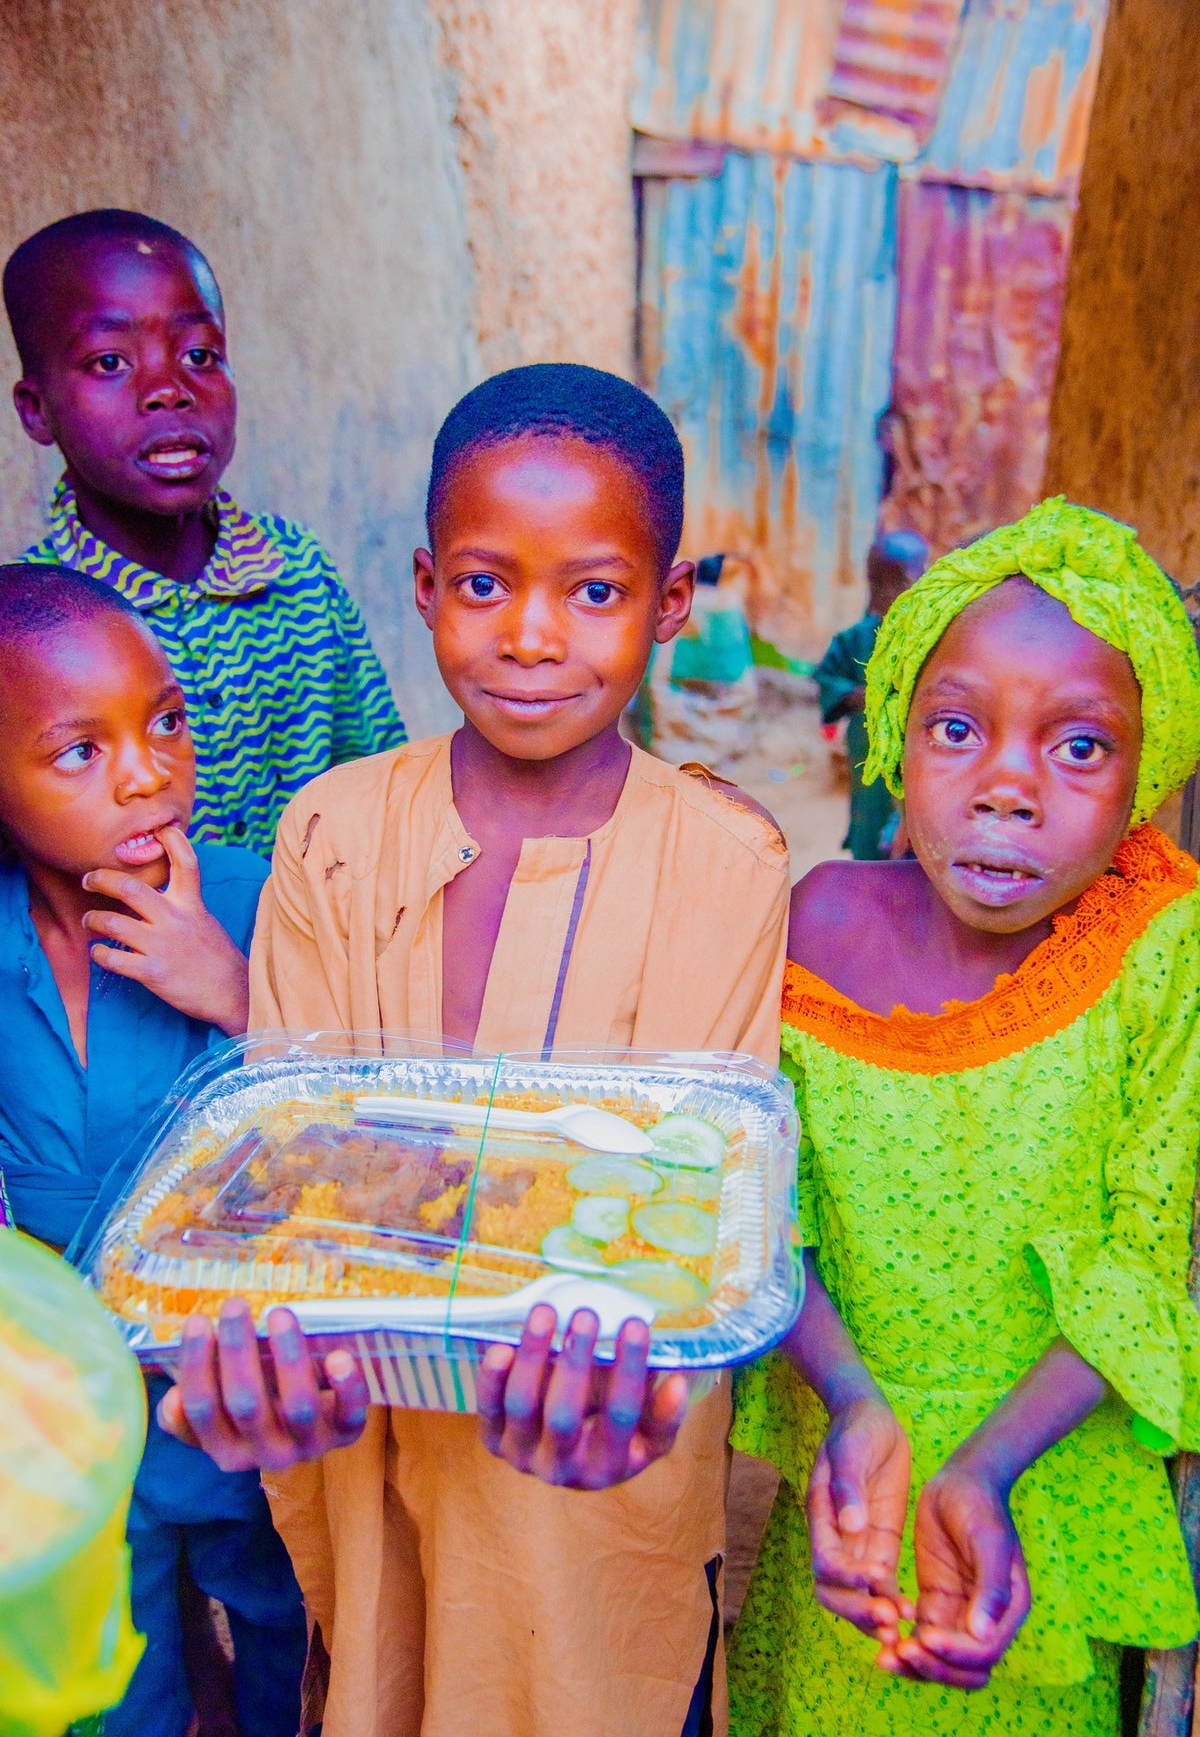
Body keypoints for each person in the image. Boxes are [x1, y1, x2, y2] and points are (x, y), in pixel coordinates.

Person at [158, 362, 792, 1737]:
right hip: (363, 1447)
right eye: (487, 583)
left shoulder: (726, 862)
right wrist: (259, 1356)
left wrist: (643, 1371)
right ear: (426, 583)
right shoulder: (334, 833)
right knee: (379, 1668)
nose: (531, 636)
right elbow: (296, 1160)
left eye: (596, 591)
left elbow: (688, 1198)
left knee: (589, 1677)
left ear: (671, 602)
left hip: (598, 1451)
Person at [730, 498, 1200, 1736]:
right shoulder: (815, 922)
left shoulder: (1155, 951)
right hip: (853, 1502)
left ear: (1147, 772)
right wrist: (852, 1400)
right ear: (893, 732)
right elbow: (768, 1216)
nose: (1007, 787)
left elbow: (1143, 1269)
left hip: (1046, 1501)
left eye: (1080, 746)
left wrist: (985, 1466)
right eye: (956, 728)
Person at [0, 563, 307, 1737]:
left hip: (243, 1391)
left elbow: (354, 1130)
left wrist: (230, 989)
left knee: (286, 1619)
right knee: (118, 1670)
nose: (146, 773)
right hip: (65, 1409)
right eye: (81, 750)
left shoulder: (253, 899)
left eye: (166, 723)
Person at [4, 208, 404, 857]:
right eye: (109, 362)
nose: (168, 390)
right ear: (36, 409)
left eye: (199, 355)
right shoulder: (30, 632)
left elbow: (381, 785)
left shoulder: (298, 571)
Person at [814, 529, 928, 860]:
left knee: (916, 820)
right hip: (867, 745)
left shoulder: (932, 636)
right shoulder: (855, 638)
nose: (889, 591)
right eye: (880, 582)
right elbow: (828, 678)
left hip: (916, 748)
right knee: (869, 816)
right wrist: (866, 695)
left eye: (903, 580)